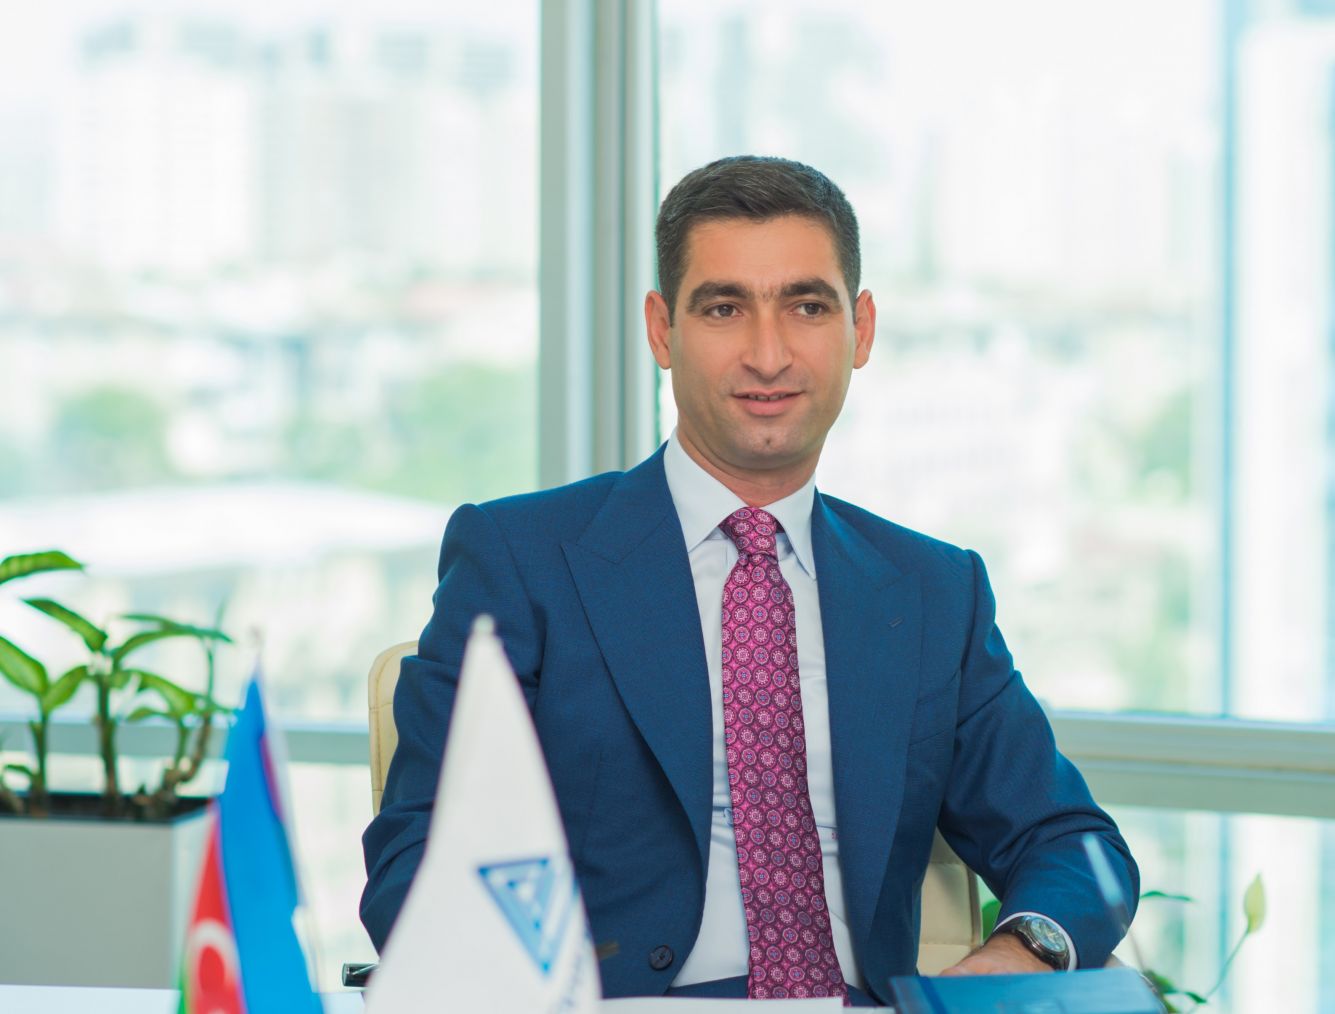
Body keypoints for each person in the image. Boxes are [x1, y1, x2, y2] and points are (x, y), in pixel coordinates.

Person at [361, 155, 1138, 1005]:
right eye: (724, 308)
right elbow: (417, 854)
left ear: (861, 329)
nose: (768, 355)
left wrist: (1020, 955)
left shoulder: (932, 592)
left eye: (807, 306)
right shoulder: (521, 559)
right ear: (662, 330)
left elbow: (1074, 846)